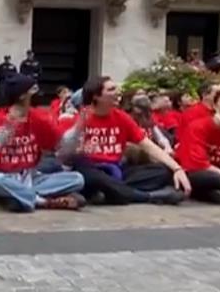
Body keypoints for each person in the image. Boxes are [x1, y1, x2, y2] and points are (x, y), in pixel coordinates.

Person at [62, 76, 190, 206]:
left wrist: (177, 168)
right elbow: (65, 153)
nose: (118, 92)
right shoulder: (82, 117)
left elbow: (148, 145)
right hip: (91, 170)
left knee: (164, 170)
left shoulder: (121, 117)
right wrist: (78, 129)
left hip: (117, 170)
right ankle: (147, 196)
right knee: (95, 177)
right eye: (111, 89)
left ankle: (110, 192)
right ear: (96, 96)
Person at [0, 74, 85, 212]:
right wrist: (7, 129)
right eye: (33, 89)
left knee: (78, 179)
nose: (38, 92)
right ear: (23, 96)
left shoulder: (37, 117)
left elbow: (60, 144)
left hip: (29, 177)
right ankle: (43, 201)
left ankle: (19, 196)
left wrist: (79, 126)